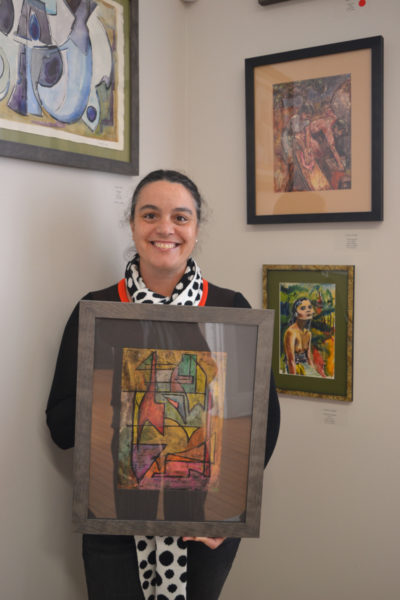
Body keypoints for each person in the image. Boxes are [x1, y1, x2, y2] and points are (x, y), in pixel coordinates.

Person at [46, 169, 280, 600]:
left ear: (196, 228)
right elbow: (61, 427)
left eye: (180, 217)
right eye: (150, 215)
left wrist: (227, 515)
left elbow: (263, 425)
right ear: (132, 224)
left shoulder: (229, 310)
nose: (165, 228)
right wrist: (124, 394)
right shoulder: (96, 312)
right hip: (112, 522)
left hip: (202, 527)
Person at [283, 296, 324, 378]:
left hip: (306, 367)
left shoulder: (308, 333)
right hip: (294, 368)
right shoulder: (291, 332)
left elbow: (309, 357)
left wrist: (313, 374)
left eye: (309, 307)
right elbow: (291, 360)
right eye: (303, 308)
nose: (308, 310)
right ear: (295, 313)